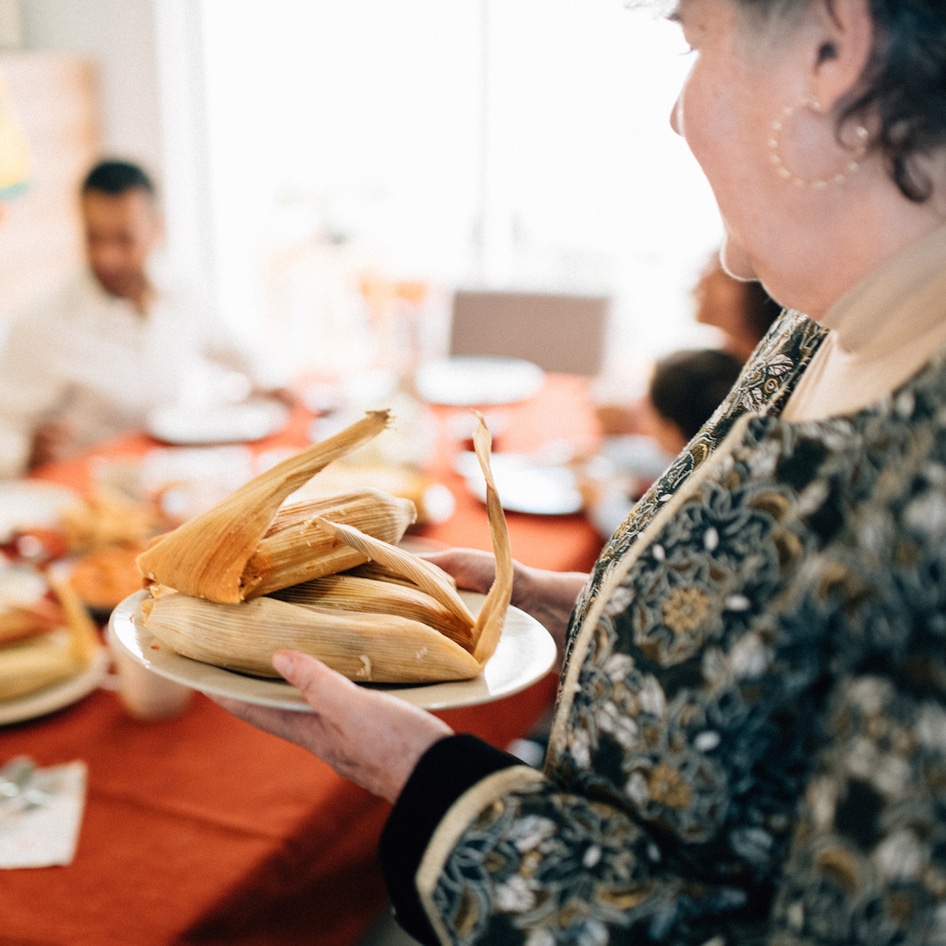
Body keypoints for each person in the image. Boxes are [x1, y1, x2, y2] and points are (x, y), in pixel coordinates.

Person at [215, 1, 946, 942]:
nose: (677, 113)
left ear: (833, 45)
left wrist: (431, 783)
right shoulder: (819, 322)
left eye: (696, 38)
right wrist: (585, 606)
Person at [0, 159, 281, 476]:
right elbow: (5, 433)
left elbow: (241, 352)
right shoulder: (41, 325)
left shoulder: (181, 291)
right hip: (86, 498)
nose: (107, 257)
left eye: (124, 239)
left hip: (172, 478)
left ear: (156, 230)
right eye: (94, 238)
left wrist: (273, 382)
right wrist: (26, 453)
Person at [588, 347, 745, 537]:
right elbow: (659, 459)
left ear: (671, 431)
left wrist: (603, 502)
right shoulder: (718, 452)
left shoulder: (703, 494)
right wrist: (602, 450)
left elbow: (644, 539)